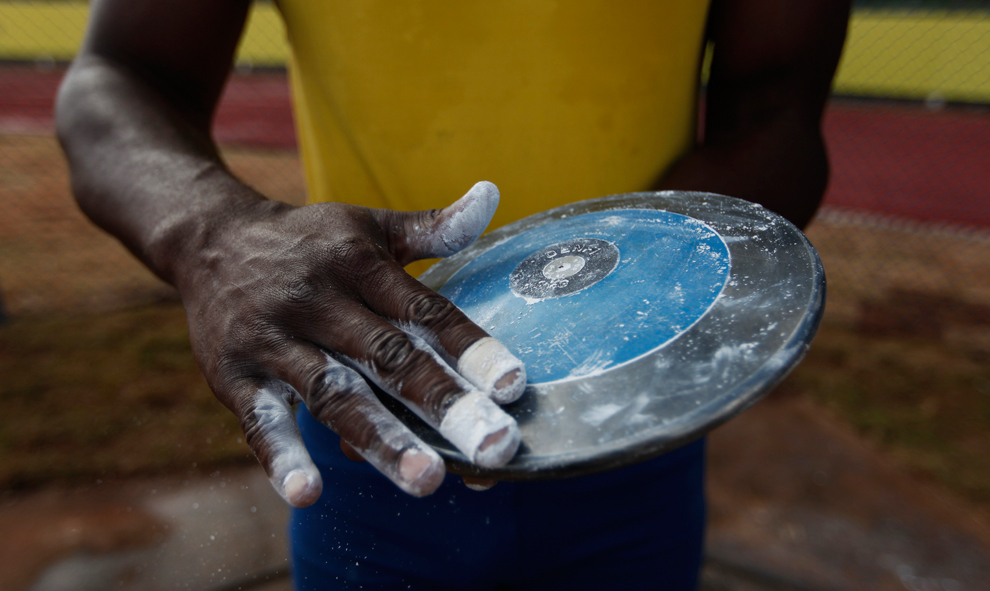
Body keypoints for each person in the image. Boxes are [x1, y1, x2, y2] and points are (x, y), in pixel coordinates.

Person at [56, 1, 850, 589]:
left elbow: (776, 107)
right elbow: (118, 75)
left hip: (637, 418)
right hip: (373, 412)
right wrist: (216, 237)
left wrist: (590, 313)